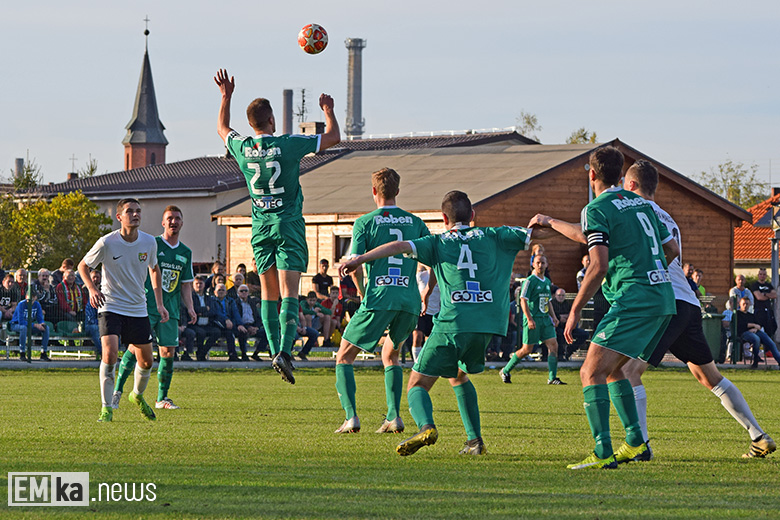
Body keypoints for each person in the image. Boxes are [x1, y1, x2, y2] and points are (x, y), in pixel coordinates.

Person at [341, 190, 543, 456]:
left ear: (444, 218)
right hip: (489, 325)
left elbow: (400, 246)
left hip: (453, 322)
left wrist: (360, 259)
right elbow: (539, 234)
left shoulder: (438, 241)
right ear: (472, 216)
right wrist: (562, 224)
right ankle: (474, 441)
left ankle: (426, 427)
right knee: (458, 375)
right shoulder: (495, 234)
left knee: (416, 384)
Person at [529, 146, 679, 469]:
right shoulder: (643, 204)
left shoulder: (596, 208)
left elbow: (597, 266)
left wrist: (574, 310)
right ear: (621, 175)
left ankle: (602, 452)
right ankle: (636, 443)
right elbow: (672, 248)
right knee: (616, 371)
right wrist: (550, 221)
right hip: (662, 298)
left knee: (589, 371)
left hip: (634, 299)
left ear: (592, 174)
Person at [617, 160, 775, 460]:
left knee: (627, 371)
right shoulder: (668, 217)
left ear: (632, 185)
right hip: (688, 303)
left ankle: (641, 445)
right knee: (709, 377)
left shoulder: (640, 214)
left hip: (668, 303)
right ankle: (758, 436)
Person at [214, 67, 340, 384]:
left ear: (252, 124)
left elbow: (221, 127)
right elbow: (334, 137)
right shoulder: (287, 144)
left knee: (269, 295)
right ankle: (284, 351)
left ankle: (273, 352)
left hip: (261, 228)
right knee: (290, 293)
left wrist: (225, 96)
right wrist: (328, 111)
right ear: (271, 120)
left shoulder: (242, 148)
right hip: (288, 225)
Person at [333, 168, 430, 434]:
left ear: (374, 191)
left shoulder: (365, 223)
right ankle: (393, 417)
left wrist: (364, 293)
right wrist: (426, 293)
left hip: (380, 296)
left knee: (344, 357)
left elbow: (355, 266)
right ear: (397, 191)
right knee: (392, 354)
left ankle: (351, 417)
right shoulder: (416, 223)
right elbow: (430, 261)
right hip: (408, 300)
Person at [78, 198, 169, 423]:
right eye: (130, 211)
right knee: (109, 354)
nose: (135, 215)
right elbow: (83, 266)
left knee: (147, 361)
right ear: (119, 217)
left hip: (138, 308)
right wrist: (91, 289)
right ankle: (106, 408)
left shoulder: (149, 242)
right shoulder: (107, 242)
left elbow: (154, 270)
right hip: (110, 306)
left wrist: (159, 303)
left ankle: (136, 396)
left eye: (138, 211)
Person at [112, 206, 196, 411]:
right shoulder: (153, 244)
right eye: (169, 218)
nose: (173, 222)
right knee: (134, 348)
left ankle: (162, 398)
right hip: (145, 306)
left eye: (177, 218)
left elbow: (185, 284)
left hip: (171, 309)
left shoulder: (186, 252)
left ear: (182, 223)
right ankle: (117, 391)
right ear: (163, 222)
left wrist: (191, 308)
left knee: (167, 352)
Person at [500, 255, 564, 385]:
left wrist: (554, 317)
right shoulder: (530, 281)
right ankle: (505, 370)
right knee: (526, 350)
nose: (540, 265)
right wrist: (529, 319)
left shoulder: (546, 281)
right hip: (533, 319)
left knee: (554, 345)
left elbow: (548, 301)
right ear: (533, 265)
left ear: (547, 265)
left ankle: (552, 378)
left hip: (545, 320)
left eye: (543, 262)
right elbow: (523, 299)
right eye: (538, 262)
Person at [736, 296, 780, 368]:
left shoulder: (751, 315)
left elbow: (759, 325)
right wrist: (752, 325)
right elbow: (740, 326)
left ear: (749, 304)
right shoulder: (738, 315)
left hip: (755, 332)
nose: (745, 305)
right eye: (743, 304)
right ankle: (756, 359)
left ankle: (779, 360)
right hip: (744, 333)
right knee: (756, 339)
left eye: (747, 304)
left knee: (770, 342)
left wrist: (755, 328)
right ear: (740, 304)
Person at [412, 264, 440, 362]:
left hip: (435, 312)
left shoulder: (440, 277)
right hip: (421, 312)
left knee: (430, 341)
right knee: (417, 337)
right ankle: (416, 362)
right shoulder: (421, 276)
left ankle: (427, 362)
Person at [10, 292, 50, 361]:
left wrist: (42, 324)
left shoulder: (37, 305)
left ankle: (44, 352)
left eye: (33, 297)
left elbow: (40, 318)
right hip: (16, 325)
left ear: (36, 297)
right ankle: (22, 353)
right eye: (30, 297)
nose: (31, 299)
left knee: (46, 328)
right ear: (26, 297)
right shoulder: (21, 304)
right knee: (23, 328)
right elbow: (21, 321)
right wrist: (35, 325)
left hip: (29, 325)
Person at [550, 288, 588, 360]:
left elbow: (573, 314)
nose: (561, 297)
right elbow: (552, 315)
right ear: (555, 295)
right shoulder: (552, 304)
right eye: (559, 295)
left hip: (568, 327)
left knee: (584, 334)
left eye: (563, 295)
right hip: (556, 327)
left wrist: (564, 317)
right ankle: (560, 355)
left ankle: (570, 350)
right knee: (560, 334)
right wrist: (559, 317)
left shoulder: (568, 304)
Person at [189, 276, 219, 361]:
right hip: (195, 324)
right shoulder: (191, 297)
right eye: (197, 283)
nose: (199, 285)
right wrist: (206, 309)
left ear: (204, 284)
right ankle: (200, 354)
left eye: (201, 283)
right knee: (201, 333)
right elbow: (194, 309)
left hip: (207, 324)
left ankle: (202, 352)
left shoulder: (209, 298)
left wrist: (201, 312)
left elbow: (213, 311)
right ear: (193, 285)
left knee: (217, 332)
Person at [234, 284, 268, 360]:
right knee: (242, 333)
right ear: (238, 293)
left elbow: (258, 318)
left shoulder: (252, 303)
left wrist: (256, 327)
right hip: (241, 326)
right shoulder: (235, 303)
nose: (244, 292)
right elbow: (235, 317)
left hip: (253, 326)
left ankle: (256, 353)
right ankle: (244, 354)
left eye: (246, 291)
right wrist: (246, 327)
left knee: (267, 333)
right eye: (241, 291)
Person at [210, 283, 243, 361]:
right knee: (228, 333)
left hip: (230, 323)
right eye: (219, 290)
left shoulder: (230, 301)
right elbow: (216, 313)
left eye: (223, 290)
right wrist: (226, 319)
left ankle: (244, 355)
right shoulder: (212, 300)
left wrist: (240, 324)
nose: (221, 292)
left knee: (242, 331)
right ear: (215, 292)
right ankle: (232, 355)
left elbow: (235, 313)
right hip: (216, 323)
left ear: (226, 292)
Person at [751, 268, 777, 338]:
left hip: (768, 310)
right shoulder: (755, 285)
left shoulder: (769, 285)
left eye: (764, 274)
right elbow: (759, 297)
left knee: (771, 328)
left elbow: (774, 295)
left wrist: (765, 294)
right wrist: (768, 295)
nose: (762, 276)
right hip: (759, 310)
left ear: (766, 276)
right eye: (761, 274)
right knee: (759, 329)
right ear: (758, 275)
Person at [83, 269, 103, 355]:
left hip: (102, 321)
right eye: (94, 277)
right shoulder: (85, 291)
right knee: (95, 328)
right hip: (91, 324)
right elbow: (90, 316)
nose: (96, 279)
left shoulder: (104, 291)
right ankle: (103, 353)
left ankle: (113, 353)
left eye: (97, 277)